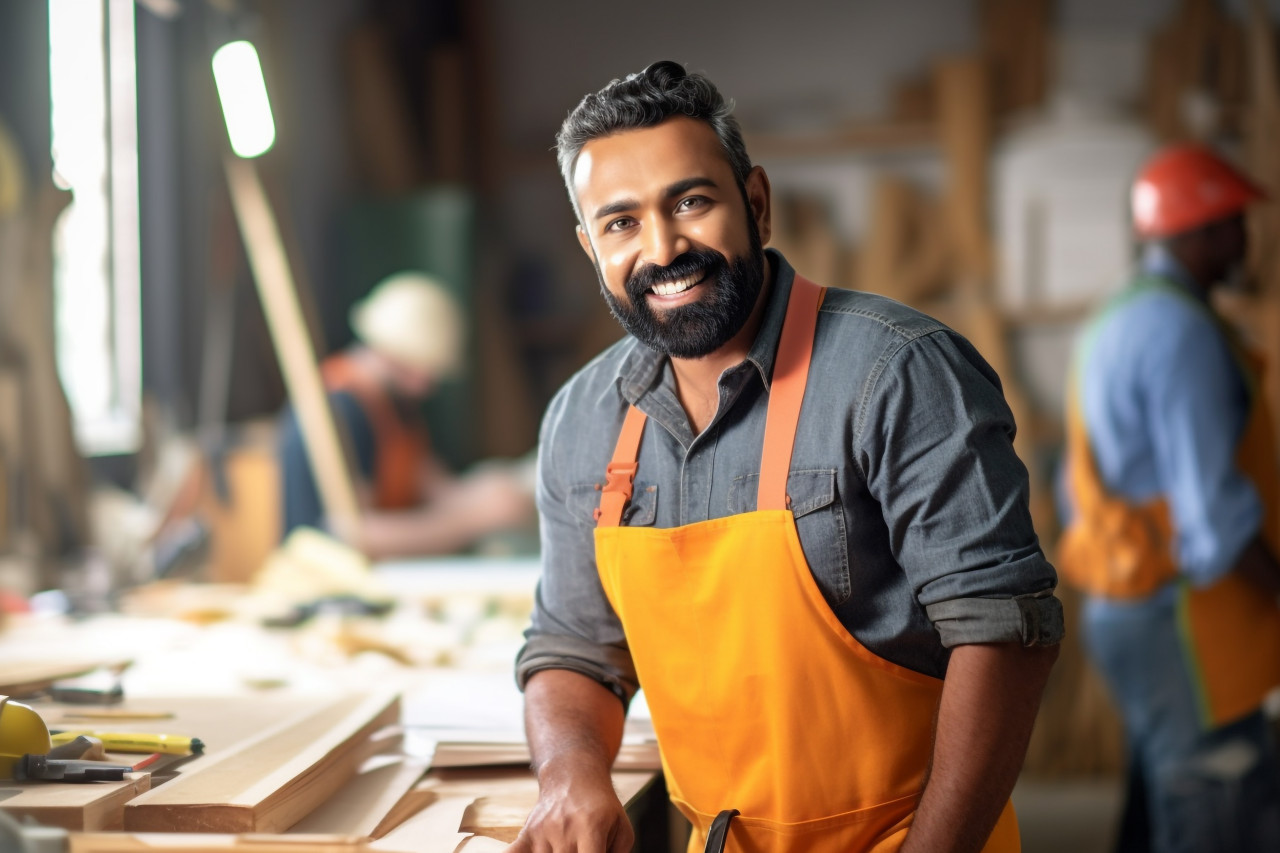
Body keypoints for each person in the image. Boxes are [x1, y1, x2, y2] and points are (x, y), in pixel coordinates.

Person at [511, 61, 1062, 853]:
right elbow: (574, 645)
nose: (663, 247)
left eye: (691, 202)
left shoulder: (898, 372)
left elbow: (1006, 631)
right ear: (589, 245)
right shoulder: (582, 420)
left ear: (756, 202)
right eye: (620, 222)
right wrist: (570, 772)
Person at [1057, 143, 1280, 851]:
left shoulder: (1119, 316)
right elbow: (1212, 516)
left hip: (1131, 604)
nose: (1247, 237)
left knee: (1164, 799)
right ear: (1199, 229)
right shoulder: (1181, 332)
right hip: (1181, 616)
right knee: (1214, 805)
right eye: (1235, 221)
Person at [278, 271, 534, 560]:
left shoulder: (394, 405)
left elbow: (436, 487)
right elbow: (352, 534)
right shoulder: (342, 410)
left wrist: (496, 490)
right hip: (321, 579)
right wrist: (473, 519)